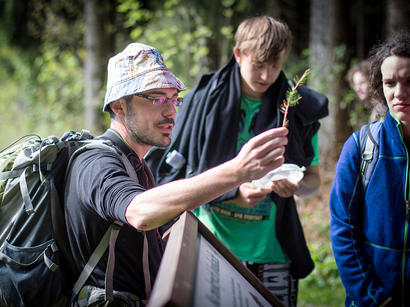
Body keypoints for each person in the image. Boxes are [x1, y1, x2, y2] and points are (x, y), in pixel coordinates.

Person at [63, 42, 289, 306]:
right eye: (157, 98)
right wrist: (238, 171)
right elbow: (140, 212)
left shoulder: (134, 162)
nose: (171, 111)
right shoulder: (96, 162)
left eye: (174, 99)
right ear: (119, 106)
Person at [146, 16, 328, 306]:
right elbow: (173, 177)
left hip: (273, 251)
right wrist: (234, 192)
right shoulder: (200, 102)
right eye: (258, 64)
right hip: (212, 244)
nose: (266, 76)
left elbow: (313, 182)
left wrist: (296, 187)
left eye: (275, 65)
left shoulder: (298, 110)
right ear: (238, 54)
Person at [329, 33, 410, 306]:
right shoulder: (360, 146)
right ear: (380, 85)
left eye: (409, 81)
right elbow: (343, 229)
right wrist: (373, 299)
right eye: (390, 83)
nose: (399, 93)